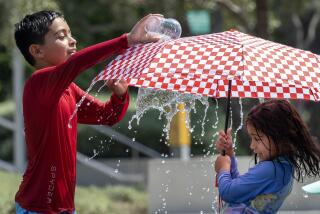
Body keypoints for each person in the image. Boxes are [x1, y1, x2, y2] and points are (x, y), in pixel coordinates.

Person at [14, 10, 162, 214]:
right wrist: (126, 40)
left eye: (70, 33)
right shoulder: (37, 84)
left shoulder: (68, 90)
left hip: (64, 207)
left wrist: (119, 96)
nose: (72, 40)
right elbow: (77, 64)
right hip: (38, 207)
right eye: (61, 36)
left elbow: (107, 116)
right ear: (37, 51)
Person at [214, 99, 320, 214]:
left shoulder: (271, 170)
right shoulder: (284, 166)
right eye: (251, 138)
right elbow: (240, 193)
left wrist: (223, 169)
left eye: (257, 139)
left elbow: (229, 193)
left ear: (279, 136)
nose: (252, 146)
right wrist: (229, 154)